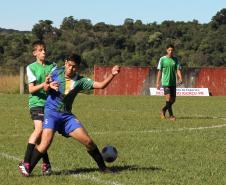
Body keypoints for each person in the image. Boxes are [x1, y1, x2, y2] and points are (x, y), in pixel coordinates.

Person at [20, 54, 120, 176]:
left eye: (74, 67)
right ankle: (27, 169)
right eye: (69, 65)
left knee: (89, 142)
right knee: (45, 144)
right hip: (51, 114)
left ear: (78, 67)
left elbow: (101, 85)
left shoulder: (81, 81)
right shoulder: (56, 72)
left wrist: (112, 75)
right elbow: (45, 87)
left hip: (66, 117)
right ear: (66, 63)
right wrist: (49, 85)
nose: (70, 69)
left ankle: (103, 168)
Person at [18, 40, 57, 176]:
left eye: (44, 49)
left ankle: (46, 164)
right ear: (34, 53)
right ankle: (26, 162)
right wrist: (43, 85)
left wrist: (51, 85)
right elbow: (32, 89)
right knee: (40, 130)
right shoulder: (31, 67)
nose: (44, 52)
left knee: (44, 135)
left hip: (49, 104)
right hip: (36, 104)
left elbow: (54, 83)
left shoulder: (53, 66)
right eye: (40, 50)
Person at [156, 44, 182, 121]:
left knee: (173, 100)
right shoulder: (162, 59)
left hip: (173, 82)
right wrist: (157, 82)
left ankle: (163, 110)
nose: (170, 51)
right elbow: (159, 71)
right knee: (168, 98)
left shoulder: (175, 59)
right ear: (166, 50)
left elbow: (177, 69)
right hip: (165, 82)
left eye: (172, 50)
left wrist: (180, 77)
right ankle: (171, 116)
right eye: (169, 50)